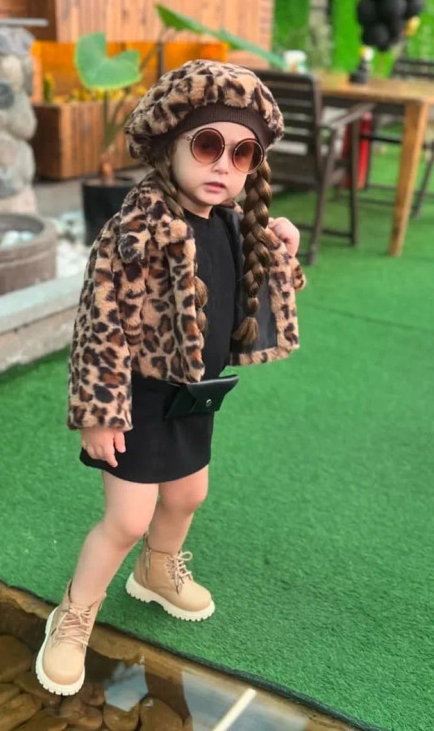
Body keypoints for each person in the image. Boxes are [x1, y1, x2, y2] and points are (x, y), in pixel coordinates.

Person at [35, 59, 307, 695]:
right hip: (134, 401)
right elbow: (99, 325)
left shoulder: (235, 226)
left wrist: (282, 253)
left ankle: (157, 572)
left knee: (187, 496)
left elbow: (262, 298)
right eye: (208, 145)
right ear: (170, 145)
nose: (224, 165)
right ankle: (73, 615)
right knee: (127, 519)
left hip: (194, 398)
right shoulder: (135, 231)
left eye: (242, 153)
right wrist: (100, 412)